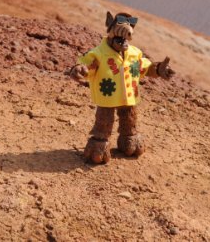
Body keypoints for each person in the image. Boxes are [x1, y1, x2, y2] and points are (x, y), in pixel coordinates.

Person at [68, 11, 174, 164]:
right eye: (118, 38)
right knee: (104, 120)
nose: (122, 42)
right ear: (110, 32)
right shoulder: (99, 53)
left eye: (124, 39)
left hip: (129, 96)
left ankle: (129, 138)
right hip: (107, 97)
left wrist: (158, 69)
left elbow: (144, 68)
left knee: (129, 118)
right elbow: (88, 65)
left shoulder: (134, 53)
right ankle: (99, 145)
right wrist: (80, 69)